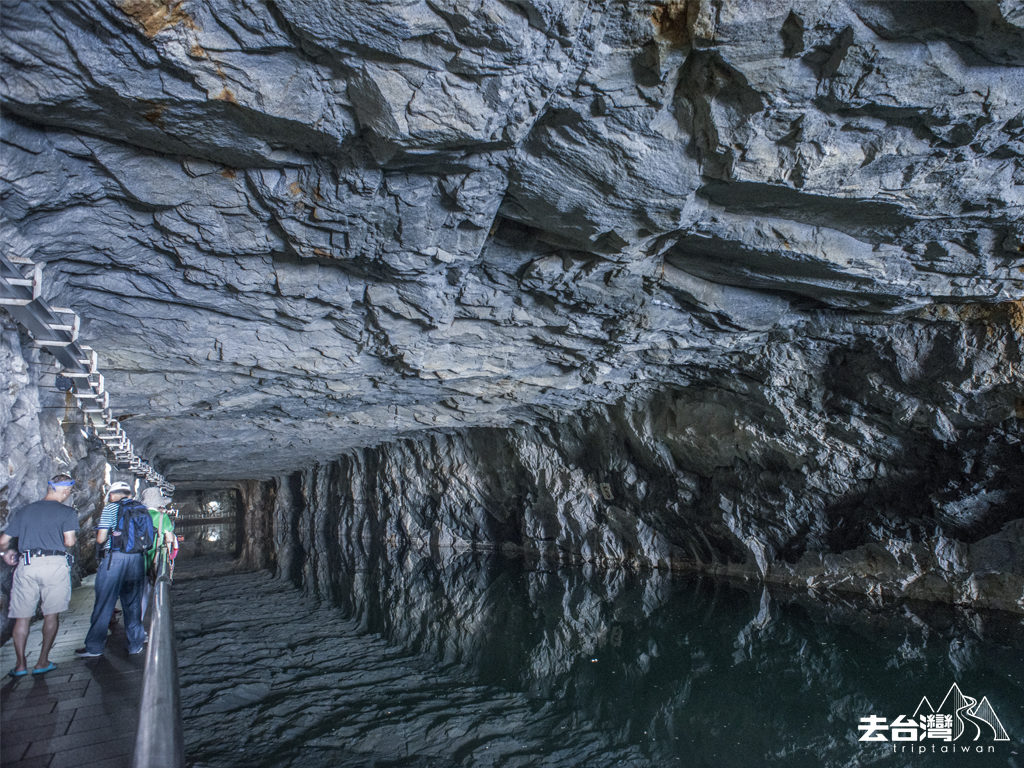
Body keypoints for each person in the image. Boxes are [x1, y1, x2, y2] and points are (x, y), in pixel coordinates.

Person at [0, 473, 78, 677]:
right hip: (54, 564)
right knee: (50, 615)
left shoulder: (25, 511)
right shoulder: (67, 512)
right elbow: (69, 542)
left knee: (22, 618)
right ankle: (42, 661)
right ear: (66, 490)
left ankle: (20, 665)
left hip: (27, 564)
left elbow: (3, 541)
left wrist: (6, 553)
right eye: (69, 491)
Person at [75, 481, 147, 658]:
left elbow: (101, 539)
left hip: (115, 559)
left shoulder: (110, 509)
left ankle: (94, 646)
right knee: (133, 603)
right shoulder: (141, 508)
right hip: (137, 559)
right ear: (129, 494)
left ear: (113, 494)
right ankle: (135, 644)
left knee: (105, 602)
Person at [138, 487, 177, 621]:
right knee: (144, 591)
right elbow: (170, 538)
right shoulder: (162, 517)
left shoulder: (136, 514)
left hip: (132, 557)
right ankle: (139, 622)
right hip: (151, 556)